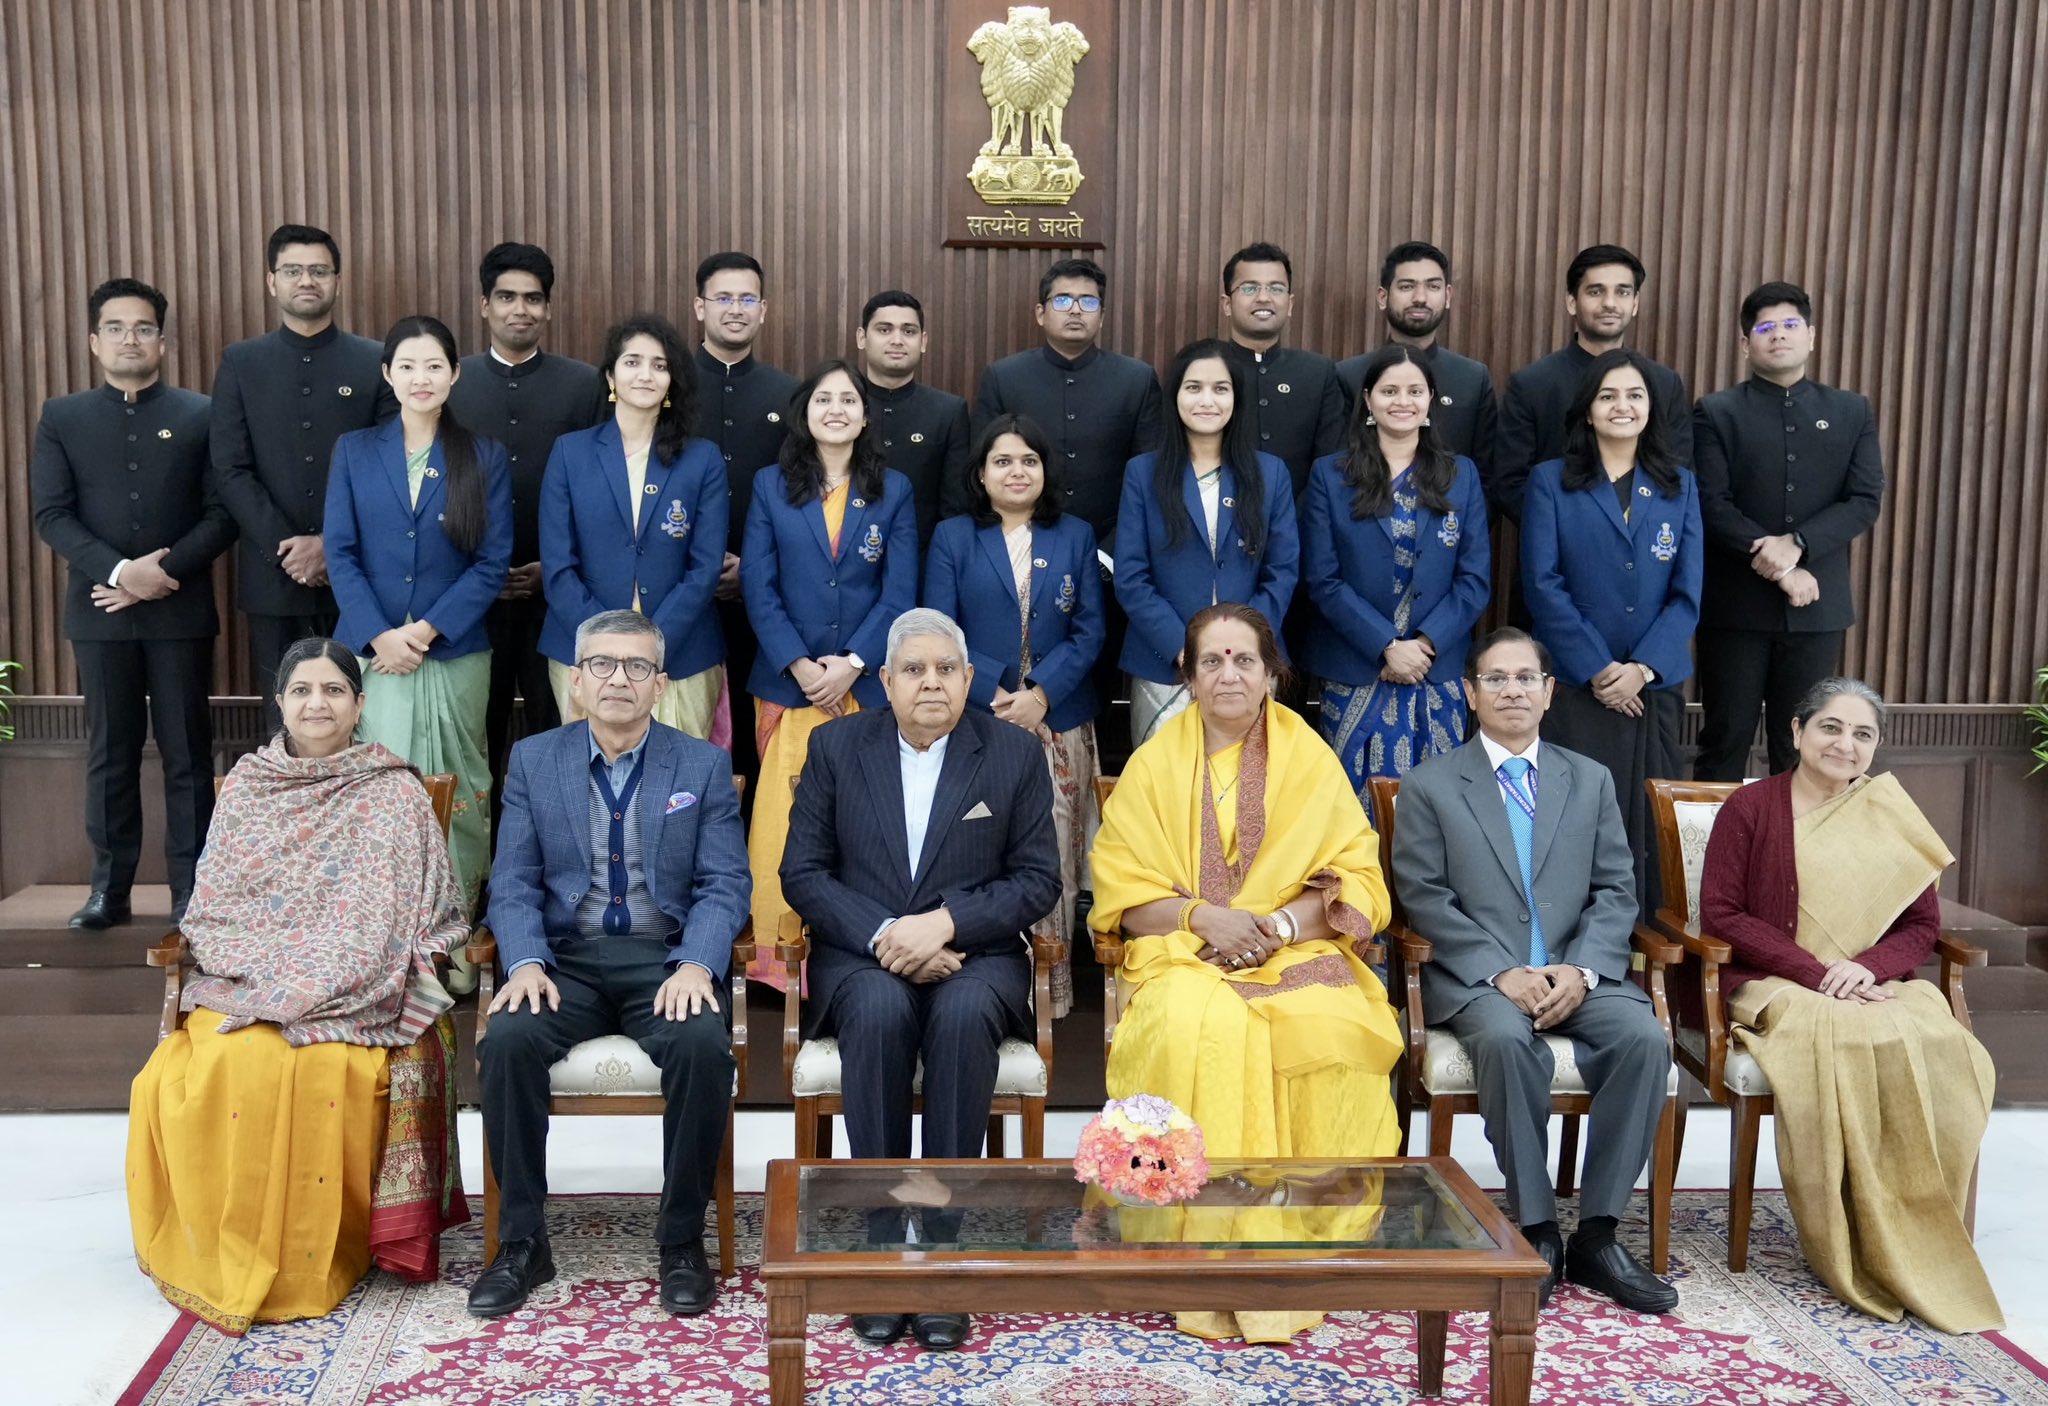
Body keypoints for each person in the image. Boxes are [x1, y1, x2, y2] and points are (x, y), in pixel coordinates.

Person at [126, 638, 470, 1334]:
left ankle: (314, 1261)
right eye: (303, 690)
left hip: (362, 994)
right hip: (248, 983)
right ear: (279, 702)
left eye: (334, 690)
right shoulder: (249, 788)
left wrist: (323, 982)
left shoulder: (394, 792)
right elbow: (216, 908)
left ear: (360, 704)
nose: (318, 703)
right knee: (224, 1063)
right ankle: (227, 1253)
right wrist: (275, 982)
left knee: (319, 1067)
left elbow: (400, 916)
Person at [1088, 602, 1403, 1343]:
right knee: (1198, 1023)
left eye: (1244, 661)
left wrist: (1279, 927)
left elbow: (1355, 877)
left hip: (1294, 946)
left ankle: (1297, 1245)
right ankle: (1184, 1248)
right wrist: (1205, 920)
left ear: (1271, 674)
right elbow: (1123, 893)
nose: (1228, 674)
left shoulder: (1310, 756)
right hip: (1182, 952)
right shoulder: (1154, 763)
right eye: (1211, 662)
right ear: (1187, 677)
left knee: (1331, 1023)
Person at [781, 607, 1061, 1352]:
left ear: (970, 679)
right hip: (860, 957)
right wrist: (886, 935)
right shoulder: (836, 746)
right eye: (914, 669)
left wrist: (944, 924)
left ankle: (941, 1251)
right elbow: (802, 873)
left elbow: (1039, 881)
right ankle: (879, 1252)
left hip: (978, 959)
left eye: (946, 670)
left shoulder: (1011, 753)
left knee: (965, 1015)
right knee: (875, 1009)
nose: (931, 682)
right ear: (886, 682)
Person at [470, 611, 749, 1319]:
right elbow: (513, 880)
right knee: (507, 1040)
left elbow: (725, 883)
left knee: (701, 1046)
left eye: (635, 668)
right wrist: (525, 960)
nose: (617, 680)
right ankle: (523, 1242)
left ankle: (681, 1240)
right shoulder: (535, 760)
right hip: (568, 962)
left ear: (660, 685)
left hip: (664, 961)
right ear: (575, 681)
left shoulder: (702, 765)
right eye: (601, 664)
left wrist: (697, 966)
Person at [1700, 677, 2001, 1333]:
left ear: (1875, 748)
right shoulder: (1750, 808)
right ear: (1797, 731)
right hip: (1772, 979)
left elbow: (1920, 928)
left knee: (1946, 1047)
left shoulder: (1890, 816)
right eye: (1831, 727)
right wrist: (1816, 972)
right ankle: (1843, 1236)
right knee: (1841, 1034)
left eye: (1863, 734)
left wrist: (1863, 969)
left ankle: (1908, 1226)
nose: (1845, 744)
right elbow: (1721, 913)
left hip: (1866, 979)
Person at [1391, 627, 1676, 1315]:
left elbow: (1617, 888)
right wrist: (1500, 971)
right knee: (1501, 1041)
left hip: (1579, 972)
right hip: (1480, 980)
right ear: (1470, 692)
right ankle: (1539, 1227)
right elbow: (1424, 895)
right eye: (1496, 678)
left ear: (1550, 693)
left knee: (1645, 1040)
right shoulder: (1431, 785)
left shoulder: (1591, 778)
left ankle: (1600, 1235)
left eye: (1526, 678)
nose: (1512, 690)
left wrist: (1580, 969)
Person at [31, 277, 236, 929]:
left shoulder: (202, 414)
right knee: (110, 752)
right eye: (115, 328)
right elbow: (52, 514)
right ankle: (109, 890)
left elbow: (221, 511)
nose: (129, 339)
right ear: (94, 341)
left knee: (187, 753)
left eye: (142, 328)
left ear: (163, 341)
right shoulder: (63, 417)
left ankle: (191, 890)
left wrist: (162, 571)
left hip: (180, 608)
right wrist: (121, 572)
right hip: (99, 609)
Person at [325, 315, 512, 929]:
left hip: (454, 651)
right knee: (380, 790)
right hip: (373, 655)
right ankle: (383, 938)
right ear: (388, 374)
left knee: (460, 789)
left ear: (455, 374)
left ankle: (454, 945)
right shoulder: (354, 451)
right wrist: (380, 634)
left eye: (434, 365)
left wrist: (427, 631)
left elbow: (492, 562)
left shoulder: (482, 455)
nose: (420, 378)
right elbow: (341, 553)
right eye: (407, 366)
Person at [741, 360, 918, 983]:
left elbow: (900, 592)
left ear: (866, 416)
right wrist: (799, 663)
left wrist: (852, 663)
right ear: (805, 412)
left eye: (849, 399)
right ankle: (778, 961)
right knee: (782, 821)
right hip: (788, 685)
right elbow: (758, 587)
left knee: (865, 818)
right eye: (824, 398)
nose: (836, 409)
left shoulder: (893, 490)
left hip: (867, 685)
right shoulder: (770, 485)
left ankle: (860, 950)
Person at [924, 413, 1105, 1016]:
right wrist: (1001, 695)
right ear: (981, 473)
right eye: (1002, 461)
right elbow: (941, 631)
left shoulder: (1075, 534)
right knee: (977, 845)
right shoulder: (954, 536)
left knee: (1052, 849)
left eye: (1028, 460)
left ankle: (1049, 998)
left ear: (1045, 470)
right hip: (978, 718)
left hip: (1059, 719)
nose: (1016, 471)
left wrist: (1042, 694)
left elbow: (1090, 628)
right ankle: (981, 987)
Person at [1521, 349, 1702, 920]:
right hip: (1577, 687)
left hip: (1650, 690)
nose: (1622, 407)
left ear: (1652, 408)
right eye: (1608, 396)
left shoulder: (1679, 487)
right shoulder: (1551, 481)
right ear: (1588, 410)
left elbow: (1687, 595)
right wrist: (1599, 668)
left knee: (1648, 826)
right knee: (1570, 820)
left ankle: (1642, 950)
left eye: (1635, 396)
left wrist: (1642, 669)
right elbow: (1542, 584)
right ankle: (1563, 940)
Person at [1691, 283, 1885, 781]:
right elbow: (1711, 504)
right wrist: (1780, 570)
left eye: (1790, 325)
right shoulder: (1716, 411)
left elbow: (1864, 500)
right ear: (1745, 343)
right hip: (1734, 608)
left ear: (1811, 336)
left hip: (1818, 608)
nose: (1778, 336)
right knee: (1724, 737)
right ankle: (1718, 857)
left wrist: (1797, 546)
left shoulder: (1851, 410)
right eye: (1764, 328)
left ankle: (1795, 857)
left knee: (1805, 746)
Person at [447, 242, 608, 823]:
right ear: (484, 305)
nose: (521, 309)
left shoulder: (584, 384)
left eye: (534, 299)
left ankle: (553, 860)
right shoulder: (451, 383)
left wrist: (555, 568)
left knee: (557, 733)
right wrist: (480, 574)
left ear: (548, 308)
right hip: (467, 598)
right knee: (473, 737)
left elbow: (600, 490)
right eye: (507, 297)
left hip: (558, 595)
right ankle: (482, 872)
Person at [209, 224, 397, 720]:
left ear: (337, 280)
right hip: (274, 573)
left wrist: (329, 546)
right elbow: (230, 467)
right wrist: (292, 548)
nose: (306, 280)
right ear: (273, 282)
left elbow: (387, 466)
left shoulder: (375, 360)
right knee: (284, 723)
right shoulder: (241, 362)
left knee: (367, 715)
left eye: (319, 270)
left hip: (359, 573)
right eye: (293, 270)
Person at [969, 258, 1161, 742]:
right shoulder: (1004, 376)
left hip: (1114, 565)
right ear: (1040, 312)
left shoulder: (1136, 379)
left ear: (1102, 313)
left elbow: (1148, 479)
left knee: (1093, 693)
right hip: (1014, 563)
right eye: (1062, 300)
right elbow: (985, 470)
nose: (1075, 310)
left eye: (1088, 301)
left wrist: (1104, 555)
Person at [1300, 345, 1491, 816]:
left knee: (1437, 811)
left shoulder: (1460, 475)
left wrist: (1422, 646)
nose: (1401, 401)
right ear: (1368, 399)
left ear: (1431, 401)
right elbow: (1323, 579)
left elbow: (1474, 580)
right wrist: (1386, 645)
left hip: (1436, 671)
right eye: (1389, 390)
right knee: (1347, 809)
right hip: (1355, 669)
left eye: (1414, 391)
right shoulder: (1332, 475)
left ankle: (1424, 894)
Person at [538, 314, 729, 745]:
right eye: (632, 362)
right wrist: (605, 649)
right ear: (610, 375)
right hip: (583, 649)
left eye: (659, 365)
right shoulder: (571, 453)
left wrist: (653, 645)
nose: (645, 374)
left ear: (672, 381)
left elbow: (704, 569)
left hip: (680, 652)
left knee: (678, 786)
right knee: (589, 783)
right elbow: (557, 565)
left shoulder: (702, 459)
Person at [1115, 338, 1297, 746]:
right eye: (1193, 387)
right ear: (1175, 396)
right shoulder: (1143, 474)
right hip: (1165, 664)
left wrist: (1246, 649)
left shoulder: (1270, 474)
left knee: (1248, 789)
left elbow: (1281, 573)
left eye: (1220, 388)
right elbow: (1131, 577)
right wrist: (1188, 652)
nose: (1207, 400)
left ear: (1237, 398)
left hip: (1250, 666)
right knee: (1166, 792)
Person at [692, 251, 798, 783]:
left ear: (764, 309)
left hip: (767, 592)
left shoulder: (789, 393)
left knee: (752, 735)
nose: (736, 309)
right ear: (699, 307)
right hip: (680, 590)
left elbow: (799, 496)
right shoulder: (672, 384)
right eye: (723, 298)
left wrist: (751, 570)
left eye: (747, 298)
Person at [1494, 244, 1691, 523]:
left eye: (1622, 292)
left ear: (1635, 303)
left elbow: (1677, 473)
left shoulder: (1664, 383)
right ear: (1572, 301)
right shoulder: (1531, 384)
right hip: (1557, 555)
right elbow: (1510, 484)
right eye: (1596, 291)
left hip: (1646, 551)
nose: (1610, 303)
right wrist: (1579, 534)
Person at [1337, 240, 1498, 485]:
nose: (1420, 298)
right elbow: (1335, 469)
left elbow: (1487, 477)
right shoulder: (1348, 375)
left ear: (1447, 296)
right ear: (1383, 296)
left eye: (1433, 286)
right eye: (1406, 286)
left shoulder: (1473, 379)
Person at [1214, 242, 1347, 497]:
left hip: (1300, 528)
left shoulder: (1318, 373)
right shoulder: (1202, 369)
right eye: (1249, 288)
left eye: (1276, 288)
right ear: (1227, 304)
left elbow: (1331, 467)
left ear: (1290, 303)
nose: (1263, 297)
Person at [855, 289, 971, 549]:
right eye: (884, 330)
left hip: (922, 561)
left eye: (909, 331)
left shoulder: (948, 411)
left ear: (923, 341)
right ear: (862, 337)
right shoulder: (839, 406)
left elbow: (955, 508)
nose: (897, 340)